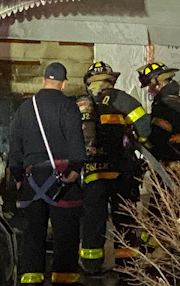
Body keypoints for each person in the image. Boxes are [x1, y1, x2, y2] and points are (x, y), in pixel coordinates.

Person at [8, 62, 86, 285]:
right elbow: (76, 141)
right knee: (66, 235)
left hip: (32, 180)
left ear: (43, 81)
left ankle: (31, 277)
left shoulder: (25, 108)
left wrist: (17, 176)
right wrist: (75, 169)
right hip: (63, 179)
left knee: (33, 233)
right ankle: (63, 277)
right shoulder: (68, 106)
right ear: (63, 83)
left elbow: (15, 145)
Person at [77, 62, 151, 274]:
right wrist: (142, 142)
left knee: (93, 220)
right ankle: (126, 267)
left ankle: (91, 266)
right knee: (124, 218)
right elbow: (144, 126)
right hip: (122, 170)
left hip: (94, 172)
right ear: (111, 80)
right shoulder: (122, 99)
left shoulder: (83, 103)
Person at [137, 62, 180, 166]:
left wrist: (141, 140)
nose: (149, 90)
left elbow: (158, 138)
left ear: (158, 84)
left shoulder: (164, 106)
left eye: (149, 86)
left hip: (172, 166)